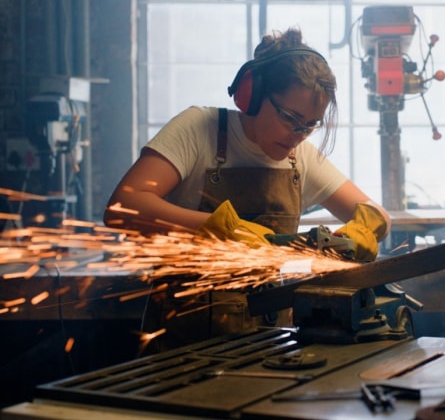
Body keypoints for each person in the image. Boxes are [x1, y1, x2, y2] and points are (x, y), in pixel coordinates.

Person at [104, 27, 390, 263]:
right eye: (290, 118)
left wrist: (362, 229)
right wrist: (215, 228)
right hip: (187, 322)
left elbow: (377, 215)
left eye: (309, 125)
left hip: (272, 326)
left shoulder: (298, 157)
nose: (297, 135)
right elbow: (122, 208)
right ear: (252, 96)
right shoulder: (199, 129)